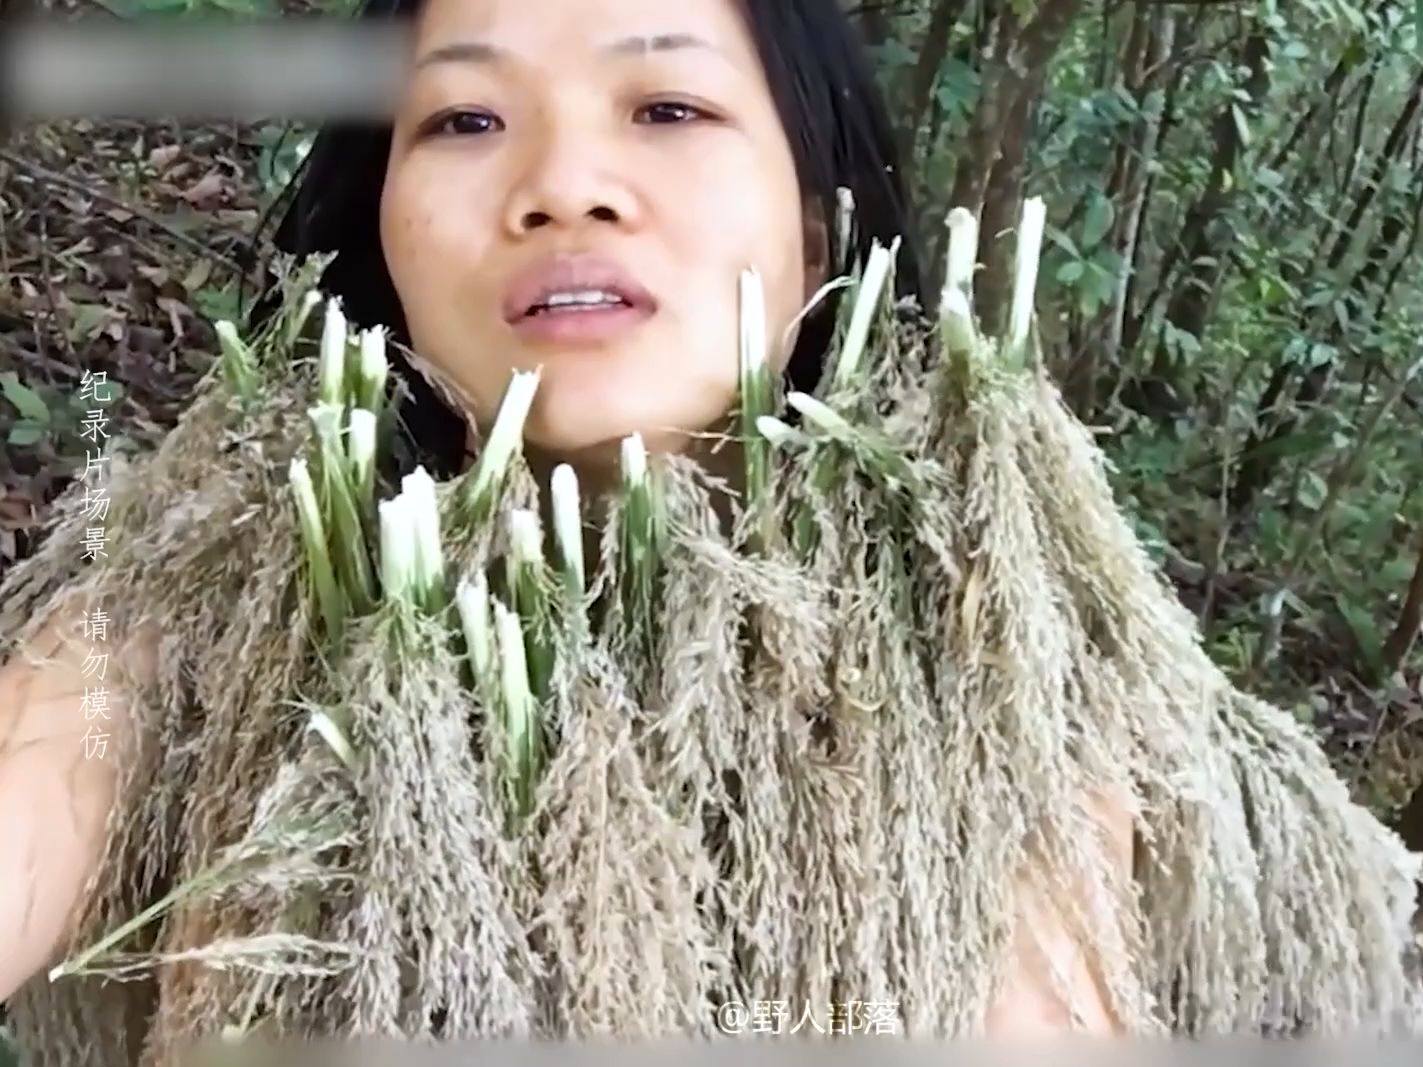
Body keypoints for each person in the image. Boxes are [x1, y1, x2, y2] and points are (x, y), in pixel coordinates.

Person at [0, 0, 1412, 1056]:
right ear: (378, 233)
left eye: (667, 108)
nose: (565, 183)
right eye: (465, 120)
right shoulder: (195, 591)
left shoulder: (1023, 665)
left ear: (815, 221)